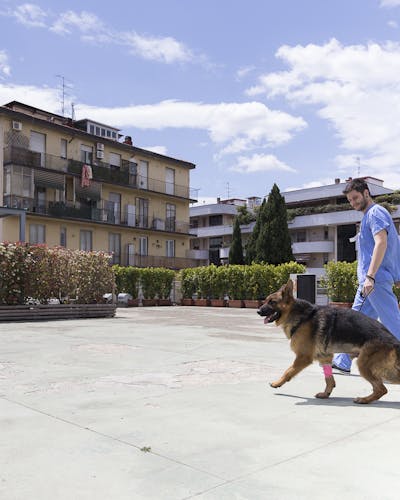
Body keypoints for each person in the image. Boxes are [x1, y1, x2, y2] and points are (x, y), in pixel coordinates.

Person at [332, 177, 400, 373]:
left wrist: (370, 277)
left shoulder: (376, 213)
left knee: (392, 323)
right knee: (354, 322)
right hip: (371, 282)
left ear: (366, 193)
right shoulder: (370, 216)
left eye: (355, 198)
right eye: (350, 200)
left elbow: (382, 243)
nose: (353, 203)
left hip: (374, 281)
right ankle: (343, 361)